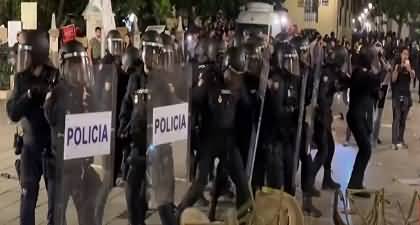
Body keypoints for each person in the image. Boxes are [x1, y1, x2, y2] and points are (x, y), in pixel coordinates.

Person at [178, 45, 252, 222]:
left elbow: (247, 107)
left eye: (239, 75)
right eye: (233, 74)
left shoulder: (239, 85)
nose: (236, 79)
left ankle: (244, 221)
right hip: (208, 138)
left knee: (242, 185)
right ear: (225, 67)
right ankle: (177, 215)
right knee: (199, 184)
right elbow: (192, 101)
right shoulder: (210, 78)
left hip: (229, 139)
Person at [43, 40, 101, 225]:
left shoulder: (88, 93)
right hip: (61, 167)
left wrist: (90, 104)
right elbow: (52, 118)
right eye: (73, 68)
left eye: (80, 67)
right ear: (64, 68)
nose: (78, 72)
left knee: (88, 214)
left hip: (82, 164)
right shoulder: (56, 94)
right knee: (57, 216)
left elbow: (99, 120)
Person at [7, 30, 58, 225]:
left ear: (38, 54)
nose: (23, 60)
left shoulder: (55, 76)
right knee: (27, 199)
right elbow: (13, 112)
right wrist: (29, 95)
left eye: (26, 54)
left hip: (52, 148)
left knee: (56, 203)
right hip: (30, 147)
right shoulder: (22, 79)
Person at [346, 46, 381, 197]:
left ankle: (355, 183)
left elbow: (375, 90)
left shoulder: (362, 74)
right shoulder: (359, 73)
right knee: (366, 149)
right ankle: (354, 185)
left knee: (365, 150)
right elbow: (373, 79)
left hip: (361, 116)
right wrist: (379, 69)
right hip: (356, 115)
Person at [391, 47, 415, 150]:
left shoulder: (410, 67)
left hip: (406, 95)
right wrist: (398, 68)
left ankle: (401, 139)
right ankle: (394, 141)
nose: (405, 56)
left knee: (403, 119)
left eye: (407, 54)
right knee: (396, 118)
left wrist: (409, 69)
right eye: (404, 54)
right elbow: (393, 79)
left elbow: (413, 77)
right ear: (401, 55)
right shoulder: (397, 66)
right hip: (397, 94)